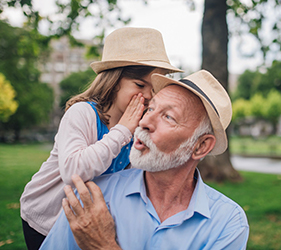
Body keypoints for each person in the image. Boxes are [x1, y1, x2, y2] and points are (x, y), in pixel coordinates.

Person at [40, 70, 249, 249]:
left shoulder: (228, 223)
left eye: (168, 117)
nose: (144, 121)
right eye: (150, 109)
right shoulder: (93, 197)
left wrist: (104, 246)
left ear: (201, 146)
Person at [19, 27, 182, 250]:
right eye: (140, 85)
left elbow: (132, 177)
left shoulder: (137, 127)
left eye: (153, 90)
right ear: (114, 81)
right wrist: (123, 130)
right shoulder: (83, 113)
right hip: (46, 218)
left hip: (84, 223)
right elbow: (73, 172)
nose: (146, 95)